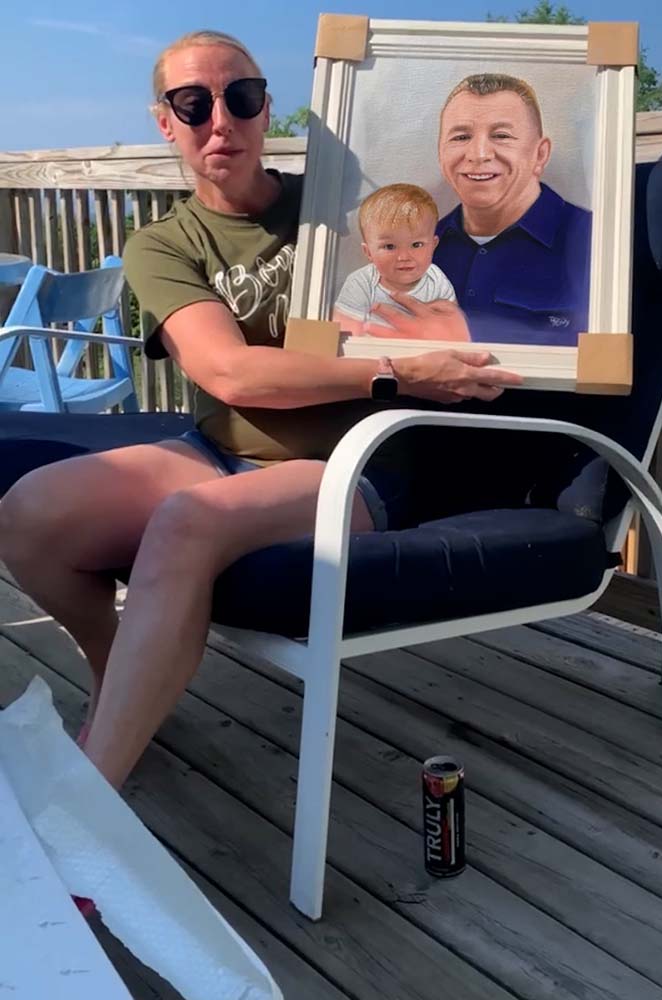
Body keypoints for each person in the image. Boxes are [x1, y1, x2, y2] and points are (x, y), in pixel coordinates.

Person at [0, 30, 522, 795]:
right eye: (193, 102)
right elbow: (227, 373)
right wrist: (393, 371)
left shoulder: (346, 212)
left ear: (266, 108)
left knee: (186, 520)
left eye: (241, 97)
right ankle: (120, 667)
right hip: (220, 448)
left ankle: (91, 796)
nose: (221, 120)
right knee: (25, 514)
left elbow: (460, 248)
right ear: (165, 121)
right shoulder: (164, 242)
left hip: (353, 467)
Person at [367, 73, 592, 346]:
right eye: (461, 137)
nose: (479, 153)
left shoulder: (595, 241)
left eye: (501, 135)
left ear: (540, 154)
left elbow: (603, 358)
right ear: (440, 153)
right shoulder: (412, 248)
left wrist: (468, 335)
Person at [333, 183, 461, 338]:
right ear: (368, 252)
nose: (404, 257)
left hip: (424, 355)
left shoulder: (436, 280)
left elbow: (452, 327)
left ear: (433, 245)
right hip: (373, 356)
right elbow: (344, 335)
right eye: (390, 246)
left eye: (416, 245)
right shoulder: (361, 283)